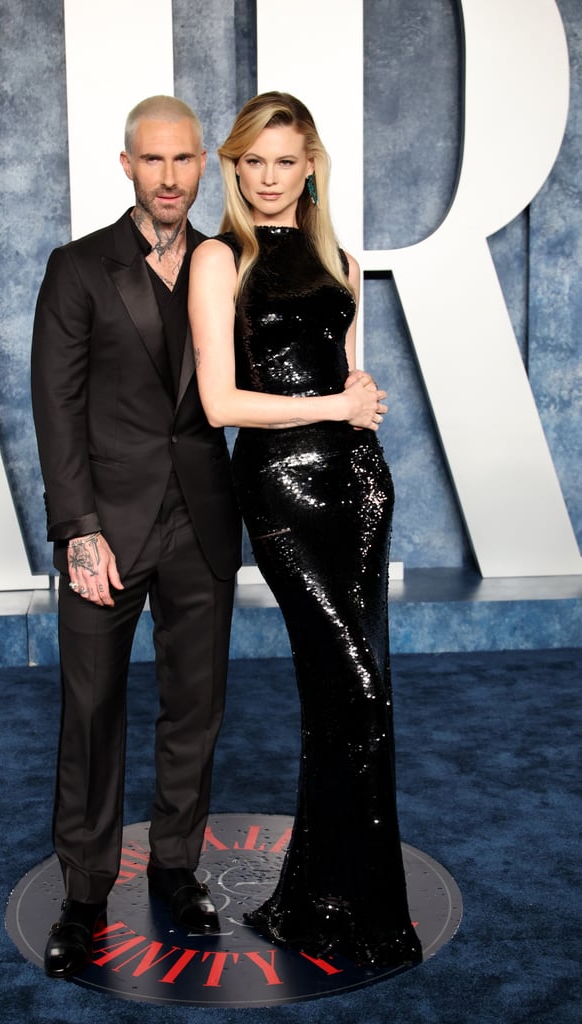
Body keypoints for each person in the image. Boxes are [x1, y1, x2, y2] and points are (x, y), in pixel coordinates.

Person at [188, 91, 422, 969]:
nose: (268, 177)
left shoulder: (343, 264)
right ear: (235, 168)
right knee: (352, 689)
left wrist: (357, 408)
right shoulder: (220, 259)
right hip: (281, 486)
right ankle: (337, 902)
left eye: (284, 161)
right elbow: (220, 403)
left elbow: (354, 382)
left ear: (309, 164)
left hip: (359, 486)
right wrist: (335, 404)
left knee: (359, 697)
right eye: (253, 161)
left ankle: (334, 902)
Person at [30, 95, 241, 980]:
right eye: (151, 161)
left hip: (200, 519)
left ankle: (176, 867)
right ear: (126, 165)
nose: (168, 177)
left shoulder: (226, 262)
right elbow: (55, 407)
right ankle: (84, 893)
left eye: (183, 160)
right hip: (105, 528)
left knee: (194, 708)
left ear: (203, 167)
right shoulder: (78, 267)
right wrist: (78, 530)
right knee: (92, 711)